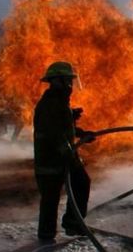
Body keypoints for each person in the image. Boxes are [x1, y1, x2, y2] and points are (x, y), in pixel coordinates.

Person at [33, 61, 95, 242]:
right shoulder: (50, 104)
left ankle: (73, 224)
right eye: (67, 81)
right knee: (50, 198)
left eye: (70, 81)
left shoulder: (60, 102)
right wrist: (69, 153)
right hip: (51, 161)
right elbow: (52, 134)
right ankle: (46, 236)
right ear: (56, 81)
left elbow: (64, 129)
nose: (70, 85)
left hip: (63, 157)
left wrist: (82, 133)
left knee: (81, 182)